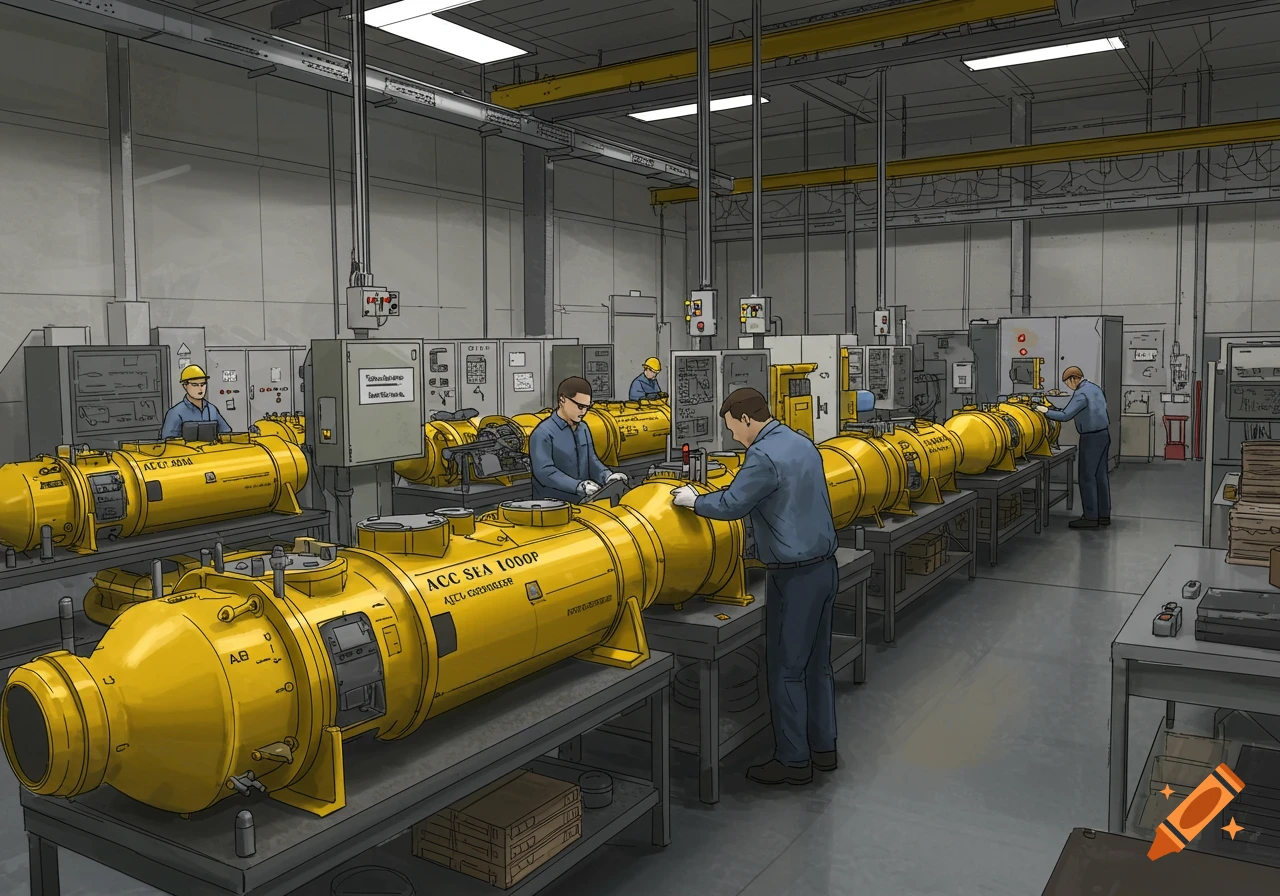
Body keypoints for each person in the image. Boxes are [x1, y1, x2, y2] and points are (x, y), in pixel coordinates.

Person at [670, 387, 839, 786]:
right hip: (825, 569)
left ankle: (794, 761)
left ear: (746, 420)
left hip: (793, 576)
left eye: (733, 430)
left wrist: (693, 501)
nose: (734, 438)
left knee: (785, 670)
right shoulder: (801, 442)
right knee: (818, 666)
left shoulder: (762, 455)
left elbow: (731, 505)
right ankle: (824, 748)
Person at [529, 377, 629, 503]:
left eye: (587, 407)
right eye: (580, 406)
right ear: (562, 400)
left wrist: (607, 476)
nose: (584, 412)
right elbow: (545, 473)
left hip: (583, 503)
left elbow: (591, 461)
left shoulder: (583, 428)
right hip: (552, 507)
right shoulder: (542, 433)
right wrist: (579, 486)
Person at [1036, 365, 1111, 529]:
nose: (1068, 387)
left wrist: (1044, 410)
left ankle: (1091, 517)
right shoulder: (1094, 388)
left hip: (1091, 438)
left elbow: (1064, 416)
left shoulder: (1081, 393)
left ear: (1073, 379)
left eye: (1067, 383)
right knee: (1100, 477)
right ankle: (1103, 515)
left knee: (1086, 477)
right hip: (1104, 435)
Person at [160, 364, 232, 439]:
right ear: (185, 386)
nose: (200, 389)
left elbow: (226, 432)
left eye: (203, 384)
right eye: (195, 385)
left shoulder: (212, 409)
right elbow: (168, 442)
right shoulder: (175, 412)